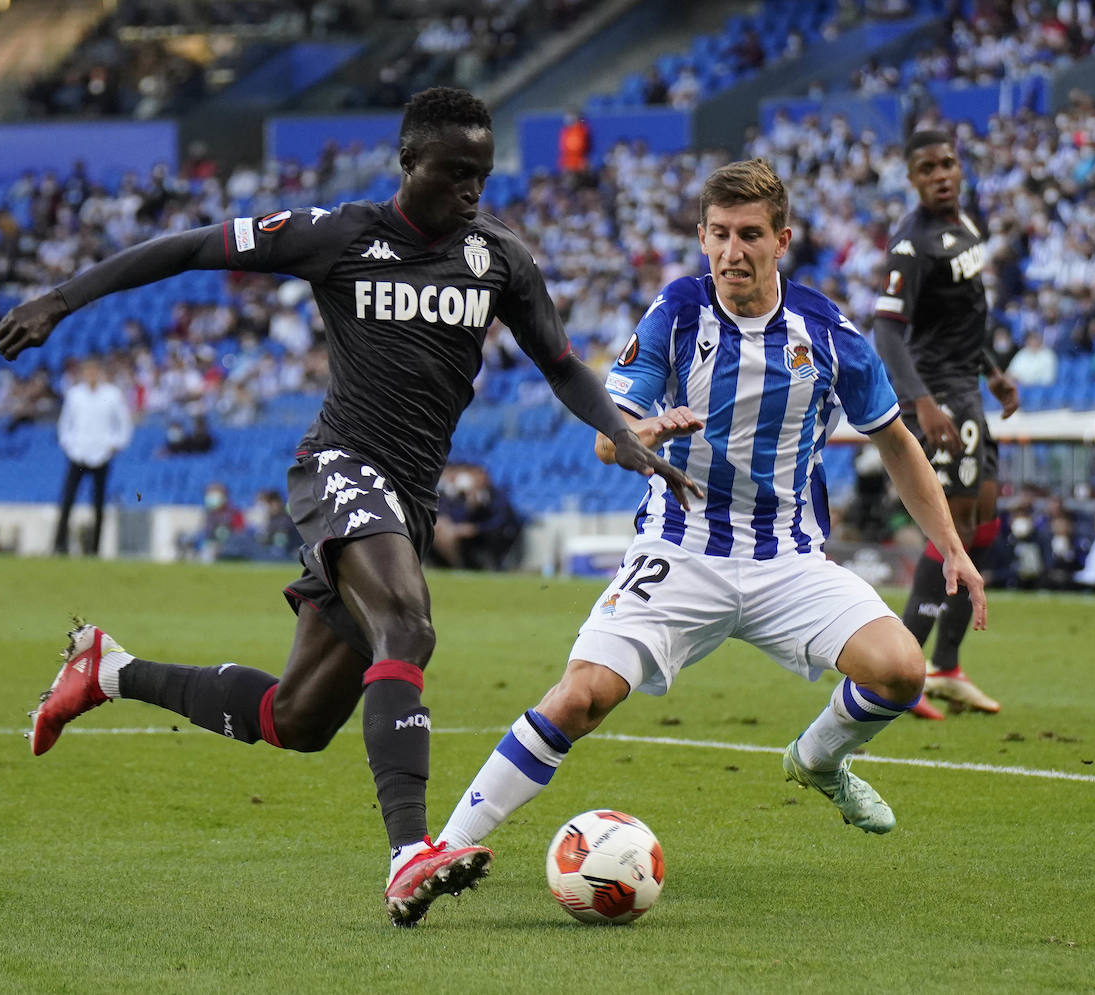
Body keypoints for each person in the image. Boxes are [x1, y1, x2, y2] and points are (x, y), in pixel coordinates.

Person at [0, 87, 697, 927]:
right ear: (409, 162)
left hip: (410, 498)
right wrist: (59, 300)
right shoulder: (339, 236)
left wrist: (628, 435)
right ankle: (410, 854)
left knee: (295, 718)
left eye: (484, 173)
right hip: (339, 467)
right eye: (457, 171)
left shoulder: (500, 258)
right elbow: (189, 248)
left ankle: (108, 668)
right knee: (409, 624)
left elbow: (563, 366)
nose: (474, 189)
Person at [435, 158, 986, 860]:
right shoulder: (676, 313)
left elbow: (898, 444)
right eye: (720, 233)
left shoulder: (827, 331)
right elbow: (610, 443)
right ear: (701, 237)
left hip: (788, 560)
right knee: (579, 697)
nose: (734, 251)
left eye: (751, 234)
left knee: (901, 669)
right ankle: (445, 847)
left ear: (782, 240)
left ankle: (817, 759)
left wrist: (953, 547)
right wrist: (641, 436)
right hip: (681, 549)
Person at [872, 129, 1019, 720]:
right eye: (927, 168)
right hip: (938, 394)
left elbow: (962, 319)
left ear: (961, 168)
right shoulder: (912, 244)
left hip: (967, 386)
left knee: (981, 522)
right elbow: (886, 330)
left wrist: (994, 371)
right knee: (952, 529)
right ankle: (900, 677)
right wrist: (921, 401)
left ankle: (949, 670)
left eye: (948, 164)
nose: (940, 175)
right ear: (912, 178)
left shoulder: (967, 227)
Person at [53, 357, 132, 556]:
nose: (91, 375)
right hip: (78, 454)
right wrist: (69, 445)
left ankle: (94, 548)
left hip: (101, 455)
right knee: (68, 500)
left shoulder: (112, 395)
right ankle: (59, 545)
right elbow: (65, 424)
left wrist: (116, 444)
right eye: (88, 371)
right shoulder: (75, 395)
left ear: (100, 372)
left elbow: (124, 423)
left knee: (98, 503)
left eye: (95, 371)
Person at [431, 463, 523, 570]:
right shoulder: (463, 496)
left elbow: (500, 521)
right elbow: (459, 517)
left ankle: (457, 565)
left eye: (479, 476)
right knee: (440, 529)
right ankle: (452, 564)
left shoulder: (497, 496)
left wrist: (477, 528)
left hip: (491, 534)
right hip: (465, 532)